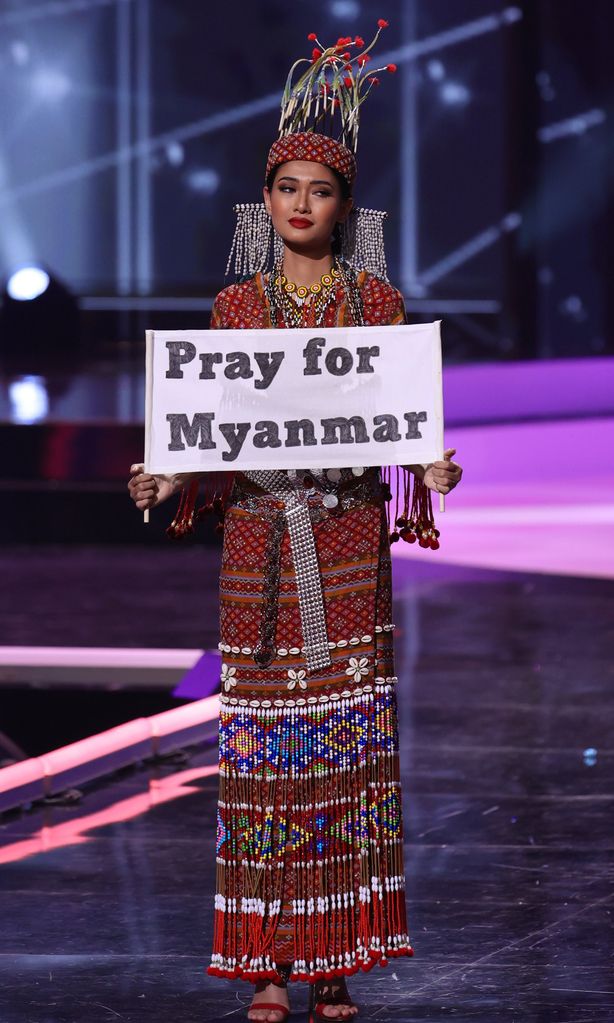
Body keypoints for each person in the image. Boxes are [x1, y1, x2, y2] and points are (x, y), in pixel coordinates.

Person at [128, 23, 462, 1023]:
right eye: (286, 189)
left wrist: (427, 461)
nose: (302, 204)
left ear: (342, 205)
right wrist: (165, 476)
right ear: (264, 203)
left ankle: (333, 958)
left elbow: (395, 417)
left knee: (344, 746)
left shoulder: (376, 301)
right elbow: (214, 428)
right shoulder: (234, 311)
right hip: (263, 543)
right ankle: (265, 961)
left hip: (351, 537)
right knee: (264, 749)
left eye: (319, 190)